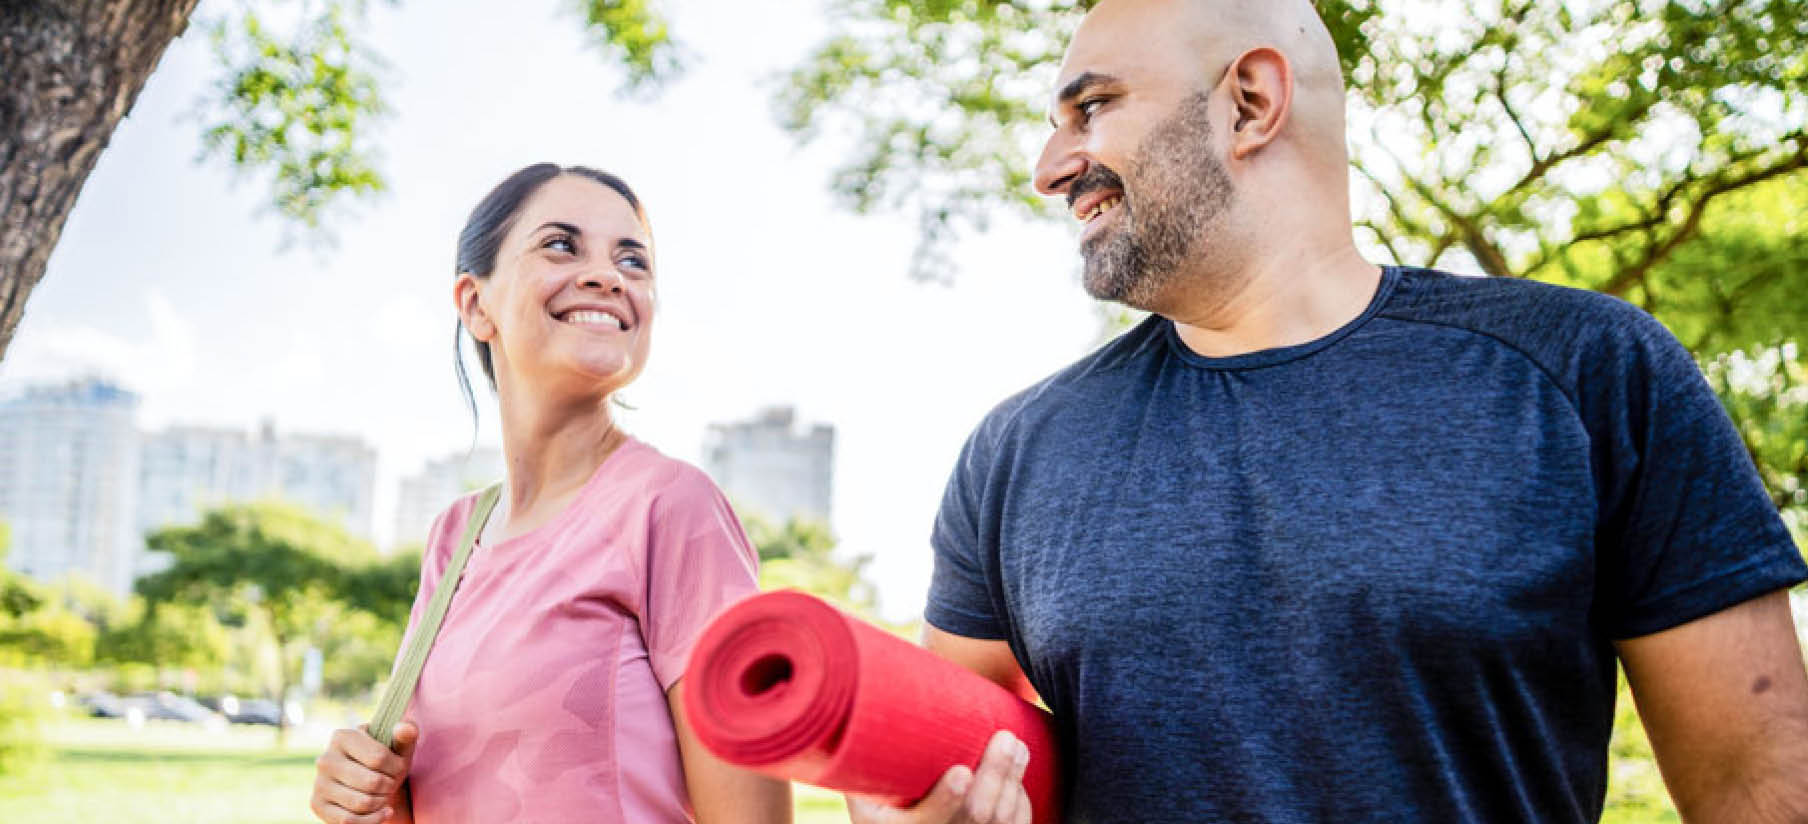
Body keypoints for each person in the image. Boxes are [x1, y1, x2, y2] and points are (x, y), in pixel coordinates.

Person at [853, 1, 1808, 822]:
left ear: (1251, 101)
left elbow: (1757, 783)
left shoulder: (1589, 370)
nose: (1050, 166)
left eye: (1091, 108)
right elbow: (915, 756)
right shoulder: (1016, 451)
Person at [308, 163, 793, 824]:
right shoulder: (454, 537)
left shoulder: (672, 506)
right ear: (477, 305)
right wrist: (370, 799)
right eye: (562, 245)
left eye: (633, 260)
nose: (608, 275)